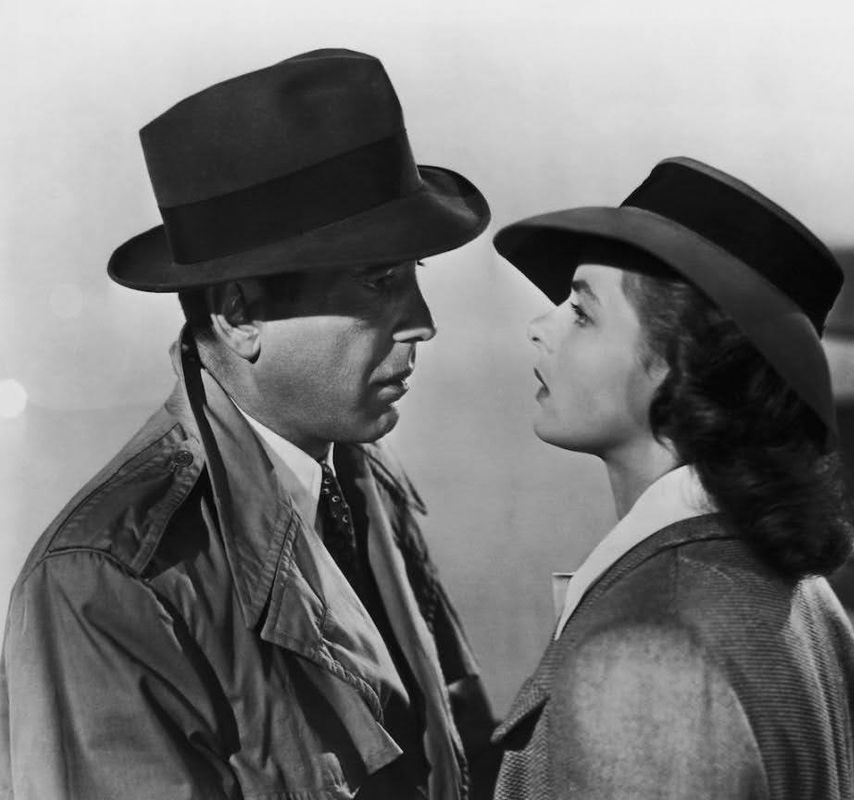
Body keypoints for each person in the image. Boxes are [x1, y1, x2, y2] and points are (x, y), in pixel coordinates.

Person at [0, 49, 498, 800]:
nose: (422, 324)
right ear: (240, 315)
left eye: (413, 278)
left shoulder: (364, 490)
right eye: (379, 281)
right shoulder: (108, 584)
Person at [490, 157, 854, 799]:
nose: (540, 326)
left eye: (582, 313)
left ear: (678, 364)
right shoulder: (803, 595)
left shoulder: (648, 653)